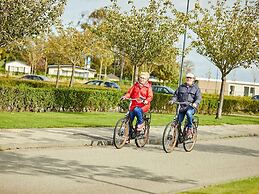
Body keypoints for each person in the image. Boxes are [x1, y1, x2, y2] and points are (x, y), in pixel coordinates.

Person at [170, 73, 202, 137]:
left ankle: (190, 127)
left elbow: (198, 98)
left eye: (190, 78)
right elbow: (176, 95)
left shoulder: (196, 88)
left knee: (188, 113)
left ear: (193, 79)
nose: (188, 79)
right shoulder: (181, 87)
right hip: (182, 107)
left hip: (191, 107)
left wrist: (195, 103)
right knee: (178, 121)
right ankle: (176, 138)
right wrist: (173, 100)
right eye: (187, 77)